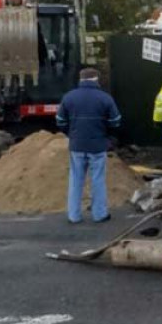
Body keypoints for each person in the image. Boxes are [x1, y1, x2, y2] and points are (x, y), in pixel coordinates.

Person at [56, 67, 121, 224]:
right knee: (97, 179)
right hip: (98, 145)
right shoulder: (105, 98)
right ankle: (99, 214)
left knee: (75, 180)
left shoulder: (69, 97)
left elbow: (60, 121)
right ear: (96, 80)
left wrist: (71, 133)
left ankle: (74, 215)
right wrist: (106, 135)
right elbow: (115, 121)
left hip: (77, 145)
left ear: (80, 79)